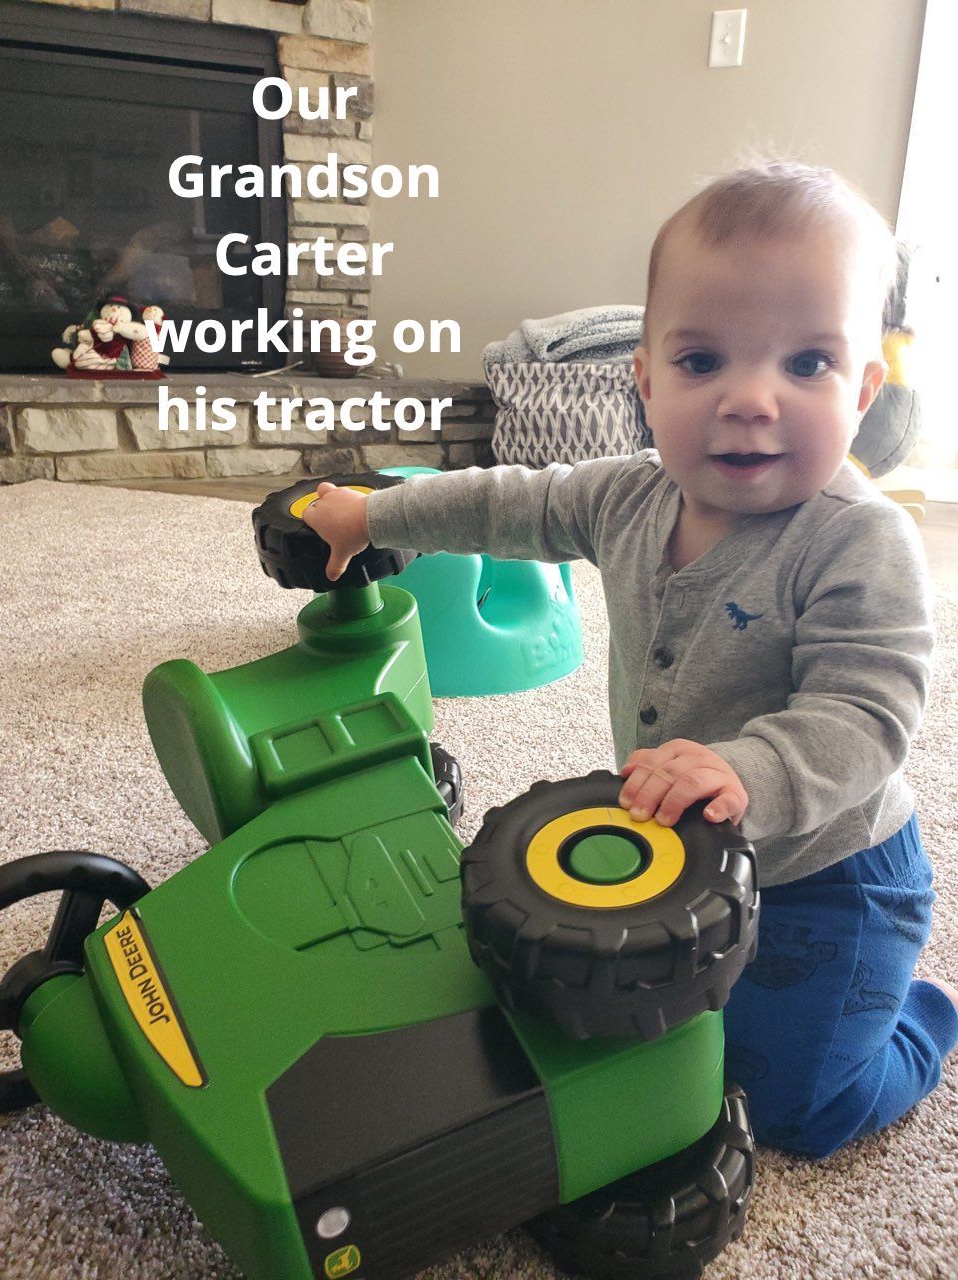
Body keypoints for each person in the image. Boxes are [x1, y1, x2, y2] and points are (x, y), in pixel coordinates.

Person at [302, 160, 958, 1157]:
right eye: (703, 363)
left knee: (789, 1105)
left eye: (807, 364)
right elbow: (504, 500)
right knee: (632, 1039)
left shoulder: (858, 542)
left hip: (826, 872)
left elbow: (869, 714)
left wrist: (749, 768)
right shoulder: (626, 495)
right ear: (644, 381)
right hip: (687, 854)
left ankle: (917, 1016)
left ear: (865, 389)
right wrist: (376, 512)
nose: (750, 398)